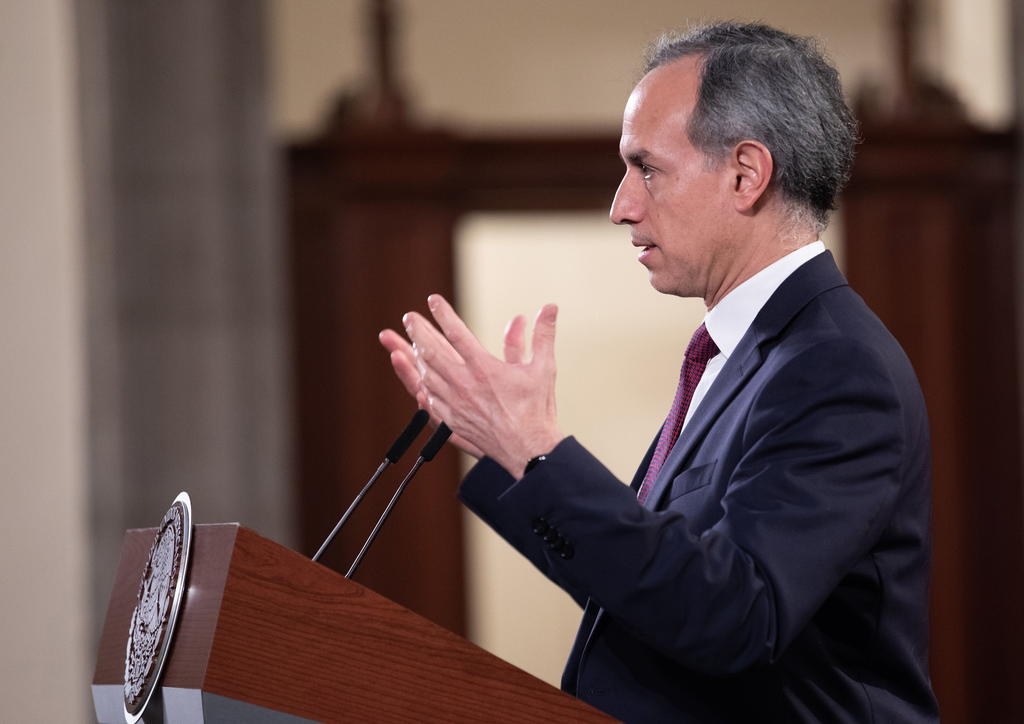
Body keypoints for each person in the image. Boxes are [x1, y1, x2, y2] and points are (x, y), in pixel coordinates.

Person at [380, 22, 939, 723]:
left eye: (645, 167)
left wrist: (539, 451)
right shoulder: (745, 354)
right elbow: (661, 595)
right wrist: (515, 456)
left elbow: (734, 618)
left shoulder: (835, 367)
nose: (621, 207)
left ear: (745, 174)